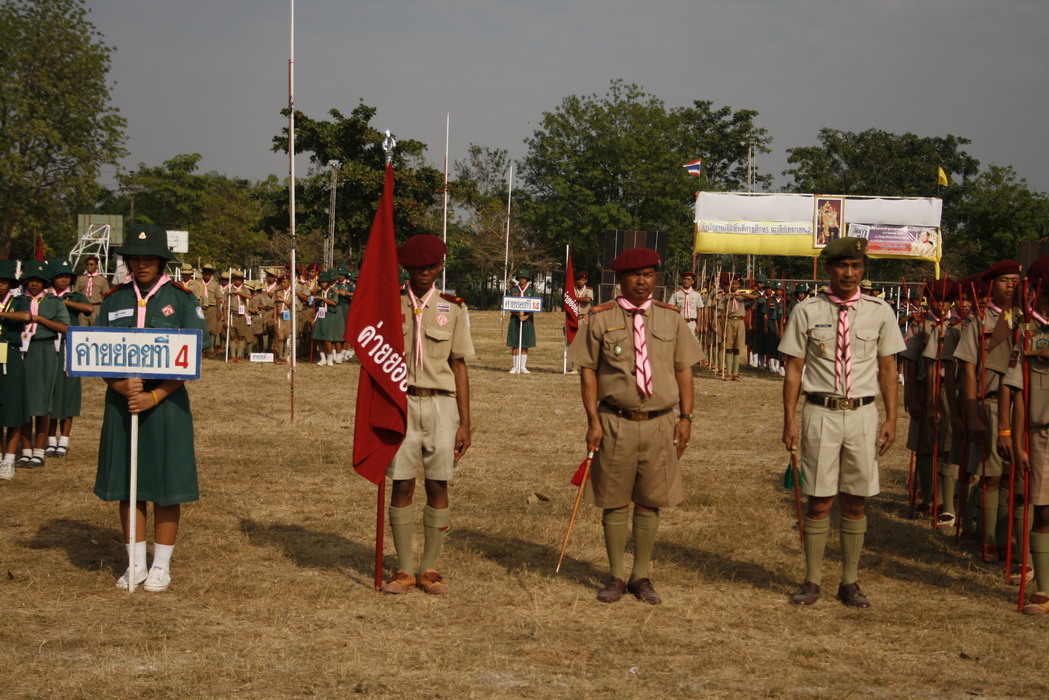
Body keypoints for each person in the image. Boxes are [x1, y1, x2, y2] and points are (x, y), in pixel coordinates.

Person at [567, 247, 701, 604]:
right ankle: (615, 574)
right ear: (620, 279)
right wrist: (593, 420)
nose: (642, 281)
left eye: (649, 274)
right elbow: (588, 371)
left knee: (649, 500)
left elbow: (684, 370)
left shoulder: (671, 318)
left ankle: (640, 575)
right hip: (616, 421)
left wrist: (686, 418)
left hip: (660, 423)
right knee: (614, 501)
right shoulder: (599, 318)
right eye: (635, 275)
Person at [779, 237, 905, 608]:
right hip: (821, 413)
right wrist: (789, 420)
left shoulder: (880, 311)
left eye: (856, 266)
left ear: (863, 269)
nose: (849, 273)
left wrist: (892, 417)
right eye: (842, 266)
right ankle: (812, 580)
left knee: (855, 501)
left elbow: (887, 368)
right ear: (829, 269)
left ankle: (850, 582)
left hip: (863, 414)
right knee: (819, 500)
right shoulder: (807, 310)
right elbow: (794, 369)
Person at [93, 223, 211, 592]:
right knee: (128, 486)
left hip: (167, 405)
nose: (142, 264)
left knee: (166, 485)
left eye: (150, 258)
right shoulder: (114, 300)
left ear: (162, 262)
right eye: (135, 258)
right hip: (123, 403)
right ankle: (135, 563)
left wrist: (155, 395)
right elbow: (95, 352)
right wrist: (119, 385)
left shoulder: (182, 299)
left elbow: (191, 358)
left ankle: (161, 565)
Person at [382, 234, 473, 595]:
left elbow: (459, 364)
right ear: (406, 268)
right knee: (402, 482)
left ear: (440, 267)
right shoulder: (389, 304)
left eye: (431, 266)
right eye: (417, 267)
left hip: (441, 404)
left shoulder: (453, 308)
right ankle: (404, 569)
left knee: (438, 484)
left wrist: (465, 422)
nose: (424, 272)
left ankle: (430, 569)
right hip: (400, 403)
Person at [955, 260, 1021, 563]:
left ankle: (1007, 539)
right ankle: (989, 540)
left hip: (1020, 407)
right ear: (992, 285)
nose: (1011, 285)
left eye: (1016, 280)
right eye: (1005, 280)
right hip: (991, 403)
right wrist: (972, 414)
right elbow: (968, 369)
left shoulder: (1025, 319)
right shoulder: (979, 322)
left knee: (1012, 477)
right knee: (991, 476)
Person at [1002, 256, 1049, 613]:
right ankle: (1044, 590)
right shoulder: (1028, 333)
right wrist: (1015, 440)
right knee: (1044, 512)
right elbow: (1017, 390)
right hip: (1042, 435)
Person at [18, 260, 71, 469]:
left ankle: (39, 451)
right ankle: (26, 451)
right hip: (21, 351)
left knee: (43, 402)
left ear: (45, 283)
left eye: (39, 281)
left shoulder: (54, 302)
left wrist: (40, 320)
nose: (34, 284)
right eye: (30, 280)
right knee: (23, 401)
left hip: (45, 349)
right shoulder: (18, 301)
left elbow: (65, 328)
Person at [47, 259, 92, 458]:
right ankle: (50, 439)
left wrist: (63, 302)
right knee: (50, 392)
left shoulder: (74, 296)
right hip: (48, 346)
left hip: (69, 346)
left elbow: (88, 309)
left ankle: (64, 440)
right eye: (60, 276)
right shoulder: (45, 297)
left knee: (69, 392)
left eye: (67, 277)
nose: (64, 280)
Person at [0, 259, 32, 480]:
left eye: (4, 281)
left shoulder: (18, 301)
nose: (0, 285)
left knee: (12, 408)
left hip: (10, 354)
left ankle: (9, 459)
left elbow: (26, 317)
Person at [507, 270, 539, 374]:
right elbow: (508, 305)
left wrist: (526, 316)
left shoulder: (532, 291)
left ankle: (522, 367)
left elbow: (536, 306)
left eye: (524, 278)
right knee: (515, 342)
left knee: (525, 343)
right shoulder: (513, 290)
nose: (522, 280)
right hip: (515, 319)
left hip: (527, 320)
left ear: (527, 279)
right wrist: (517, 314)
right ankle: (515, 367)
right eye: (520, 278)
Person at [73, 254, 110, 324]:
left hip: (96, 307)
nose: (89, 266)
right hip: (83, 308)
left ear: (96, 266)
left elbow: (106, 296)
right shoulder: (80, 278)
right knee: (81, 327)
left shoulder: (102, 280)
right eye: (87, 264)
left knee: (95, 327)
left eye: (91, 264)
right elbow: (76, 293)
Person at [668, 270, 703, 338]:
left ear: (692, 282)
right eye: (684, 279)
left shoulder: (696, 294)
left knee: (692, 342)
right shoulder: (676, 293)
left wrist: (698, 324)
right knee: (679, 342)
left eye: (688, 279)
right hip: (679, 323)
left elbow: (699, 310)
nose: (686, 281)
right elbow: (670, 308)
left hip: (692, 323)